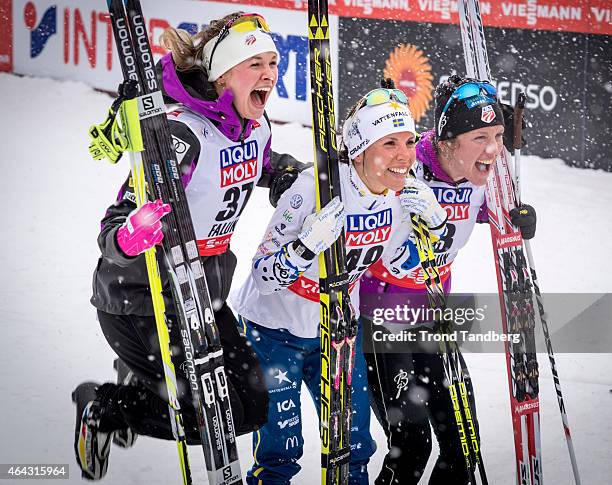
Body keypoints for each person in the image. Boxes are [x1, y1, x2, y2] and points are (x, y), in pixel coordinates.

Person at [72, 12, 307, 480]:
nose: (269, 74)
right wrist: (129, 235)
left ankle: (140, 386)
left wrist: (284, 172)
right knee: (205, 422)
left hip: (204, 297)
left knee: (252, 406)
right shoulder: (181, 135)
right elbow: (116, 222)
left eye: (273, 62)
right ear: (222, 76)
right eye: (254, 64)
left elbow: (251, 162)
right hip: (143, 298)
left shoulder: (255, 128)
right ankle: (105, 408)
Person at [231, 87, 448, 484]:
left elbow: (401, 263)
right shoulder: (314, 188)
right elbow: (263, 276)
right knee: (280, 449)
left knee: (353, 446)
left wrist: (433, 230)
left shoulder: (401, 192)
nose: (405, 155)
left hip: (337, 330)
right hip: (273, 331)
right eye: (390, 144)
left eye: (409, 141)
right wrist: (304, 248)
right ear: (360, 150)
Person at [360, 75, 537, 484]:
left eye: (497, 136)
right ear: (446, 140)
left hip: (436, 317)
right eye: (479, 137)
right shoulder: (407, 165)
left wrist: (517, 217)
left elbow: (484, 211)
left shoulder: (487, 176)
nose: (493, 149)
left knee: (463, 446)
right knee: (412, 447)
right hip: (382, 317)